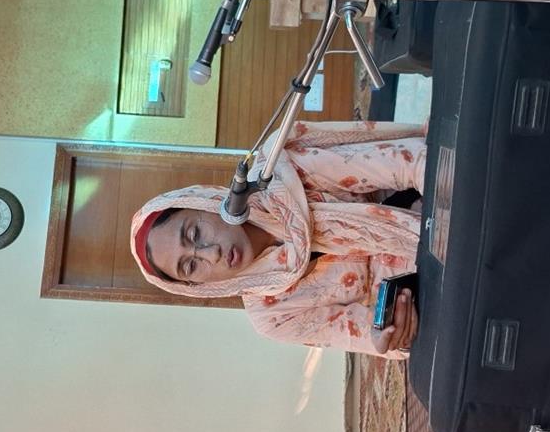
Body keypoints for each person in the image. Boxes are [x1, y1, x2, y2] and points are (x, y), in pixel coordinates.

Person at [130, 120, 426, 358]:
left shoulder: (280, 172)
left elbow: (410, 164)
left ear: (204, 202)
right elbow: (368, 335)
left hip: (428, 204)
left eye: (195, 233)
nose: (211, 254)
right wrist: (388, 335)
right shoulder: (270, 315)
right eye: (191, 266)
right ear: (197, 287)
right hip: (421, 293)